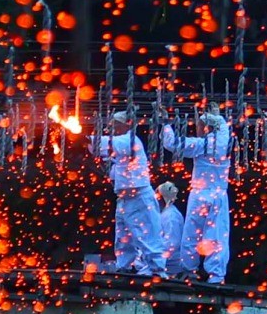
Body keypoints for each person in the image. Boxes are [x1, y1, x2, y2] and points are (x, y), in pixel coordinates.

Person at [161, 107, 231, 283]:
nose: (197, 129)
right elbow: (223, 125)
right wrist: (216, 114)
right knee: (217, 234)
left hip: (201, 193)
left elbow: (172, 143)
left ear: (206, 127)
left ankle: (190, 269)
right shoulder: (225, 139)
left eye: (199, 126)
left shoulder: (202, 144)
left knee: (192, 233)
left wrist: (166, 124)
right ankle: (216, 275)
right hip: (219, 194)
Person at [93, 111, 167, 277]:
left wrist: (86, 139)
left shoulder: (129, 140)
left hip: (139, 196)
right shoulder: (120, 149)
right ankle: (124, 266)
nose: (113, 128)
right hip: (125, 198)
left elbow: (104, 144)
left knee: (147, 234)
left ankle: (157, 269)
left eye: (116, 124)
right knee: (123, 236)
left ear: (125, 124)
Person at [156, 181, 188, 277]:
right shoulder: (164, 213)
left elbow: (172, 244)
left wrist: (155, 256)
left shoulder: (171, 217)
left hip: (170, 265)